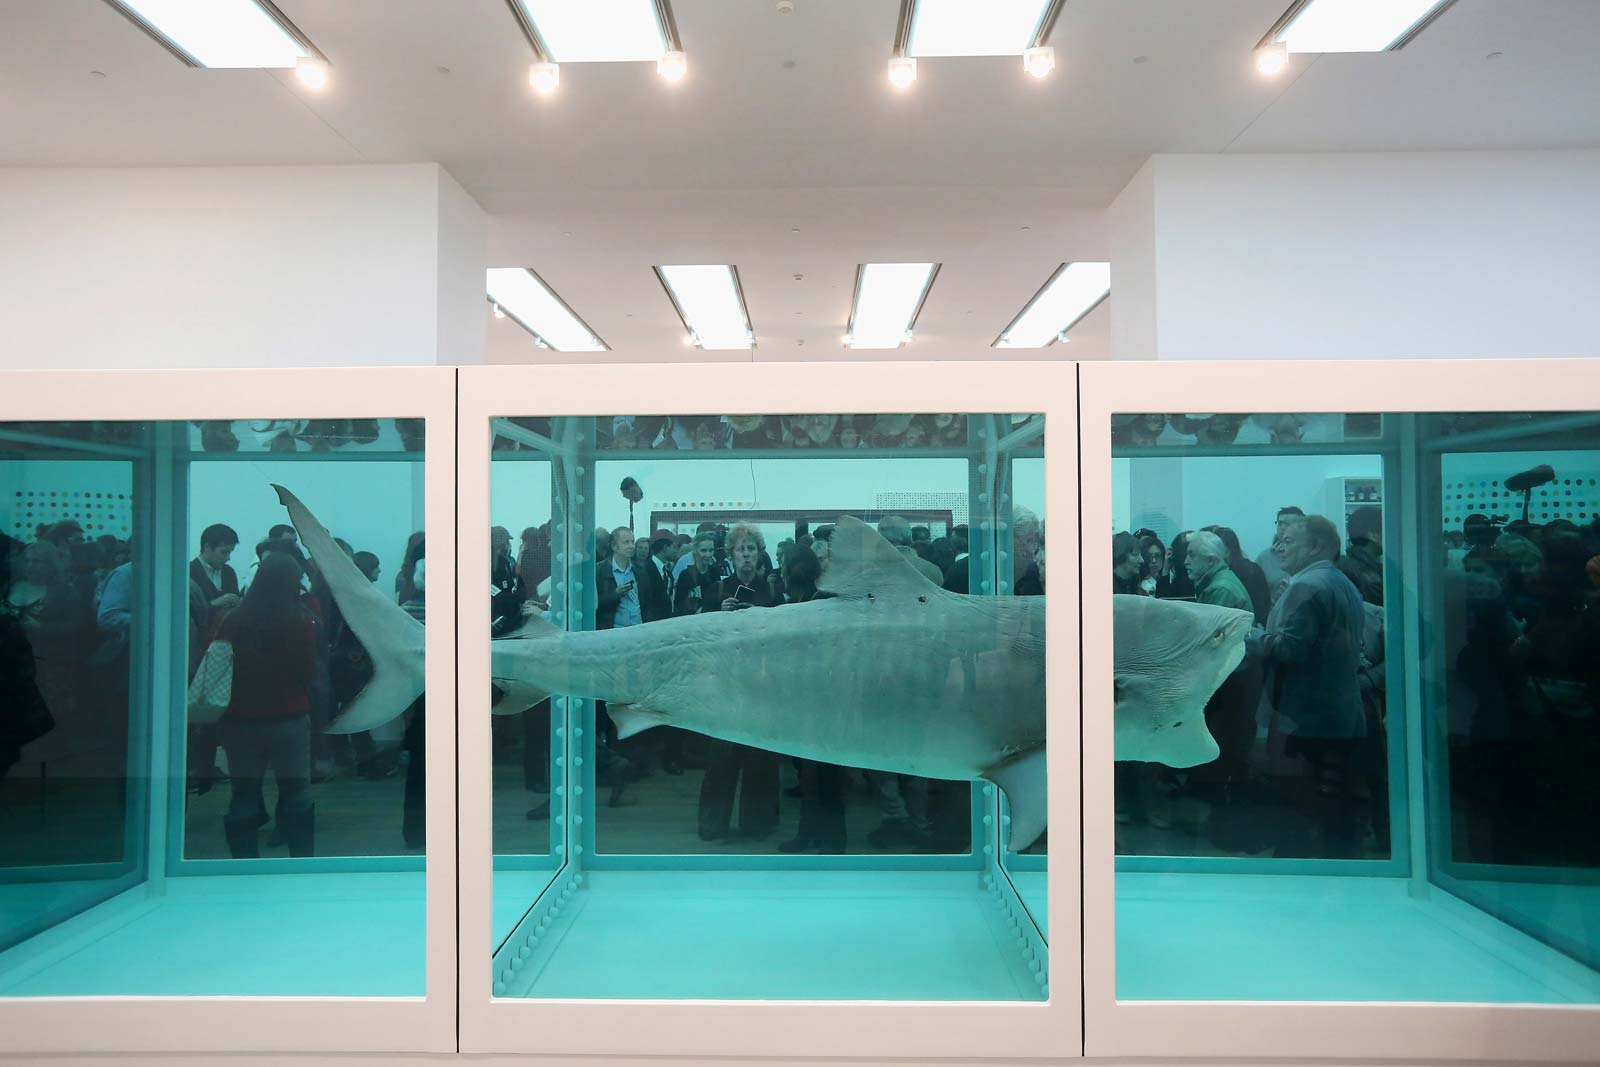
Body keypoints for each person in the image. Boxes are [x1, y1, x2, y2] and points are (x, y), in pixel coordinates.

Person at [1250, 515, 1369, 858]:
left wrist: (1254, 637)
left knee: (1303, 810)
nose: (1279, 547)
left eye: (1288, 541)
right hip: (1336, 714)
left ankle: (1300, 875)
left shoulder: (1306, 586)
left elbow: (1289, 649)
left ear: (1316, 546)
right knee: (1332, 805)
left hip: (1306, 719)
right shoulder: (1340, 582)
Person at [215, 552, 319, 858]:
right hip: (289, 716)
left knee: (244, 793)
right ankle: (301, 866)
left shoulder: (233, 619)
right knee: (296, 792)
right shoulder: (300, 622)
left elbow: (216, 662)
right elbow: (308, 671)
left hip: (240, 718)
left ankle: (244, 867)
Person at [697, 523, 781, 841]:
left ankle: (758, 823)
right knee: (721, 758)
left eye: (751, 549)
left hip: (762, 684)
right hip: (725, 684)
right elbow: (700, 634)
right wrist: (719, 613)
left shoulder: (773, 592)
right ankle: (712, 823)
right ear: (731, 555)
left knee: (761, 757)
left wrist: (761, 615)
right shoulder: (716, 590)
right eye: (740, 550)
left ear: (759, 554)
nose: (746, 555)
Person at [1184, 531, 1259, 793]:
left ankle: (1213, 788)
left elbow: (1210, 643)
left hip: (1229, 677)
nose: (1186, 561)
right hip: (1233, 674)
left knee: (1221, 733)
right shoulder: (1219, 583)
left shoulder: (1220, 589)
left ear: (1211, 560)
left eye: (1192, 555)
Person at [188, 523, 241, 794]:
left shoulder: (229, 573)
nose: (227, 558)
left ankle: (207, 767)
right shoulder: (188, 573)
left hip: (223, 648)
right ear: (207, 547)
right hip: (197, 650)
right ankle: (195, 768)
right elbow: (186, 614)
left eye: (230, 552)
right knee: (197, 708)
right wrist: (214, 605)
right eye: (224, 552)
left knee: (218, 709)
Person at [1256, 506, 1304, 607]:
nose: (1282, 528)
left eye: (1288, 524)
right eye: (1280, 523)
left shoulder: (1310, 555)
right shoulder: (1264, 558)